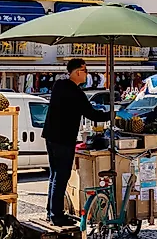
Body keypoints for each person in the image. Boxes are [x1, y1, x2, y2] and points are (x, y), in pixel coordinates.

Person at [42, 59, 110, 226]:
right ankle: (56, 215)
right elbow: (92, 114)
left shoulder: (59, 85)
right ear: (78, 71)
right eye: (85, 71)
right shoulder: (75, 92)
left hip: (51, 136)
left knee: (54, 175)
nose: (87, 74)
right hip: (63, 138)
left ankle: (50, 212)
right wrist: (112, 114)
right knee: (61, 175)